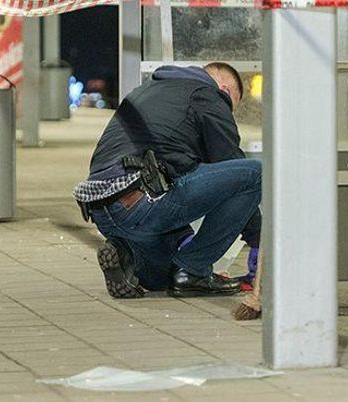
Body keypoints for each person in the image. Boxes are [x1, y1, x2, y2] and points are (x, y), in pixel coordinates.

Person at [73, 62, 261, 299]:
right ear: (224, 89)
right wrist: (258, 240)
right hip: (141, 201)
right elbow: (234, 168)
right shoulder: (207, 94)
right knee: (256, 173)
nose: (228, 111)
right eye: (231, 104)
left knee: (163, 278)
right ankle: (194, 271)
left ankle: (127, 256)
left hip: (103, 210)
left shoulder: (146, 91)